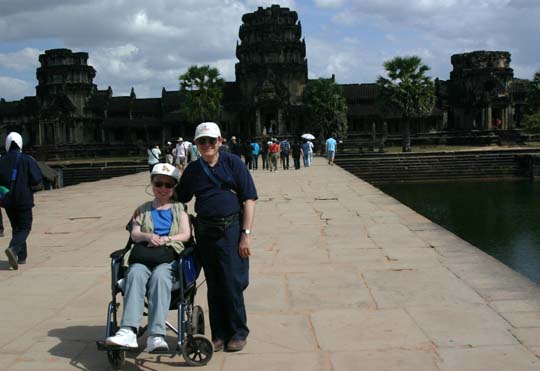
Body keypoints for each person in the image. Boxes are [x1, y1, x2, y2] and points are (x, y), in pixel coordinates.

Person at [176, 122, 257, 353]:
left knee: (232, 282)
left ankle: (238, 332)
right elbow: (179, 197)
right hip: (205, 231)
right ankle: (219, 334)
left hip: (231, 229)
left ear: (220, 141)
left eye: (211, 141)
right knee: (213, 284)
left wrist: (245, 235)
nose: (207, 145)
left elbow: (249, 199)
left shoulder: (233, 163)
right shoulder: (193, 170)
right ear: (196, 145)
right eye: (202, 141)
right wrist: (151, 205)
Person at [106, 163, 190, 352]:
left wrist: (166, 239)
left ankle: (156, 335)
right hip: (143, 257)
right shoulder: (142, 209)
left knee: (160, 277)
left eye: (168, 185)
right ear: (152, 184)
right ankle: (128, 330)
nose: (163, 189)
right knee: (134, 273)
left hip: (167, 258)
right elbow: (135, 233)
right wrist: (148, 236)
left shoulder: (179, 209)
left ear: (174, 188)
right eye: (159, 183)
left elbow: (185, 235)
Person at [1, 132, 43, 270]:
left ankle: (22, 256)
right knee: (25, 227)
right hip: (23, 198)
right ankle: (13, 249)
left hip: (7, 199)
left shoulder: (1, 160)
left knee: (16, 227)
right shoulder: (27, 159)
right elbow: (36, 178)